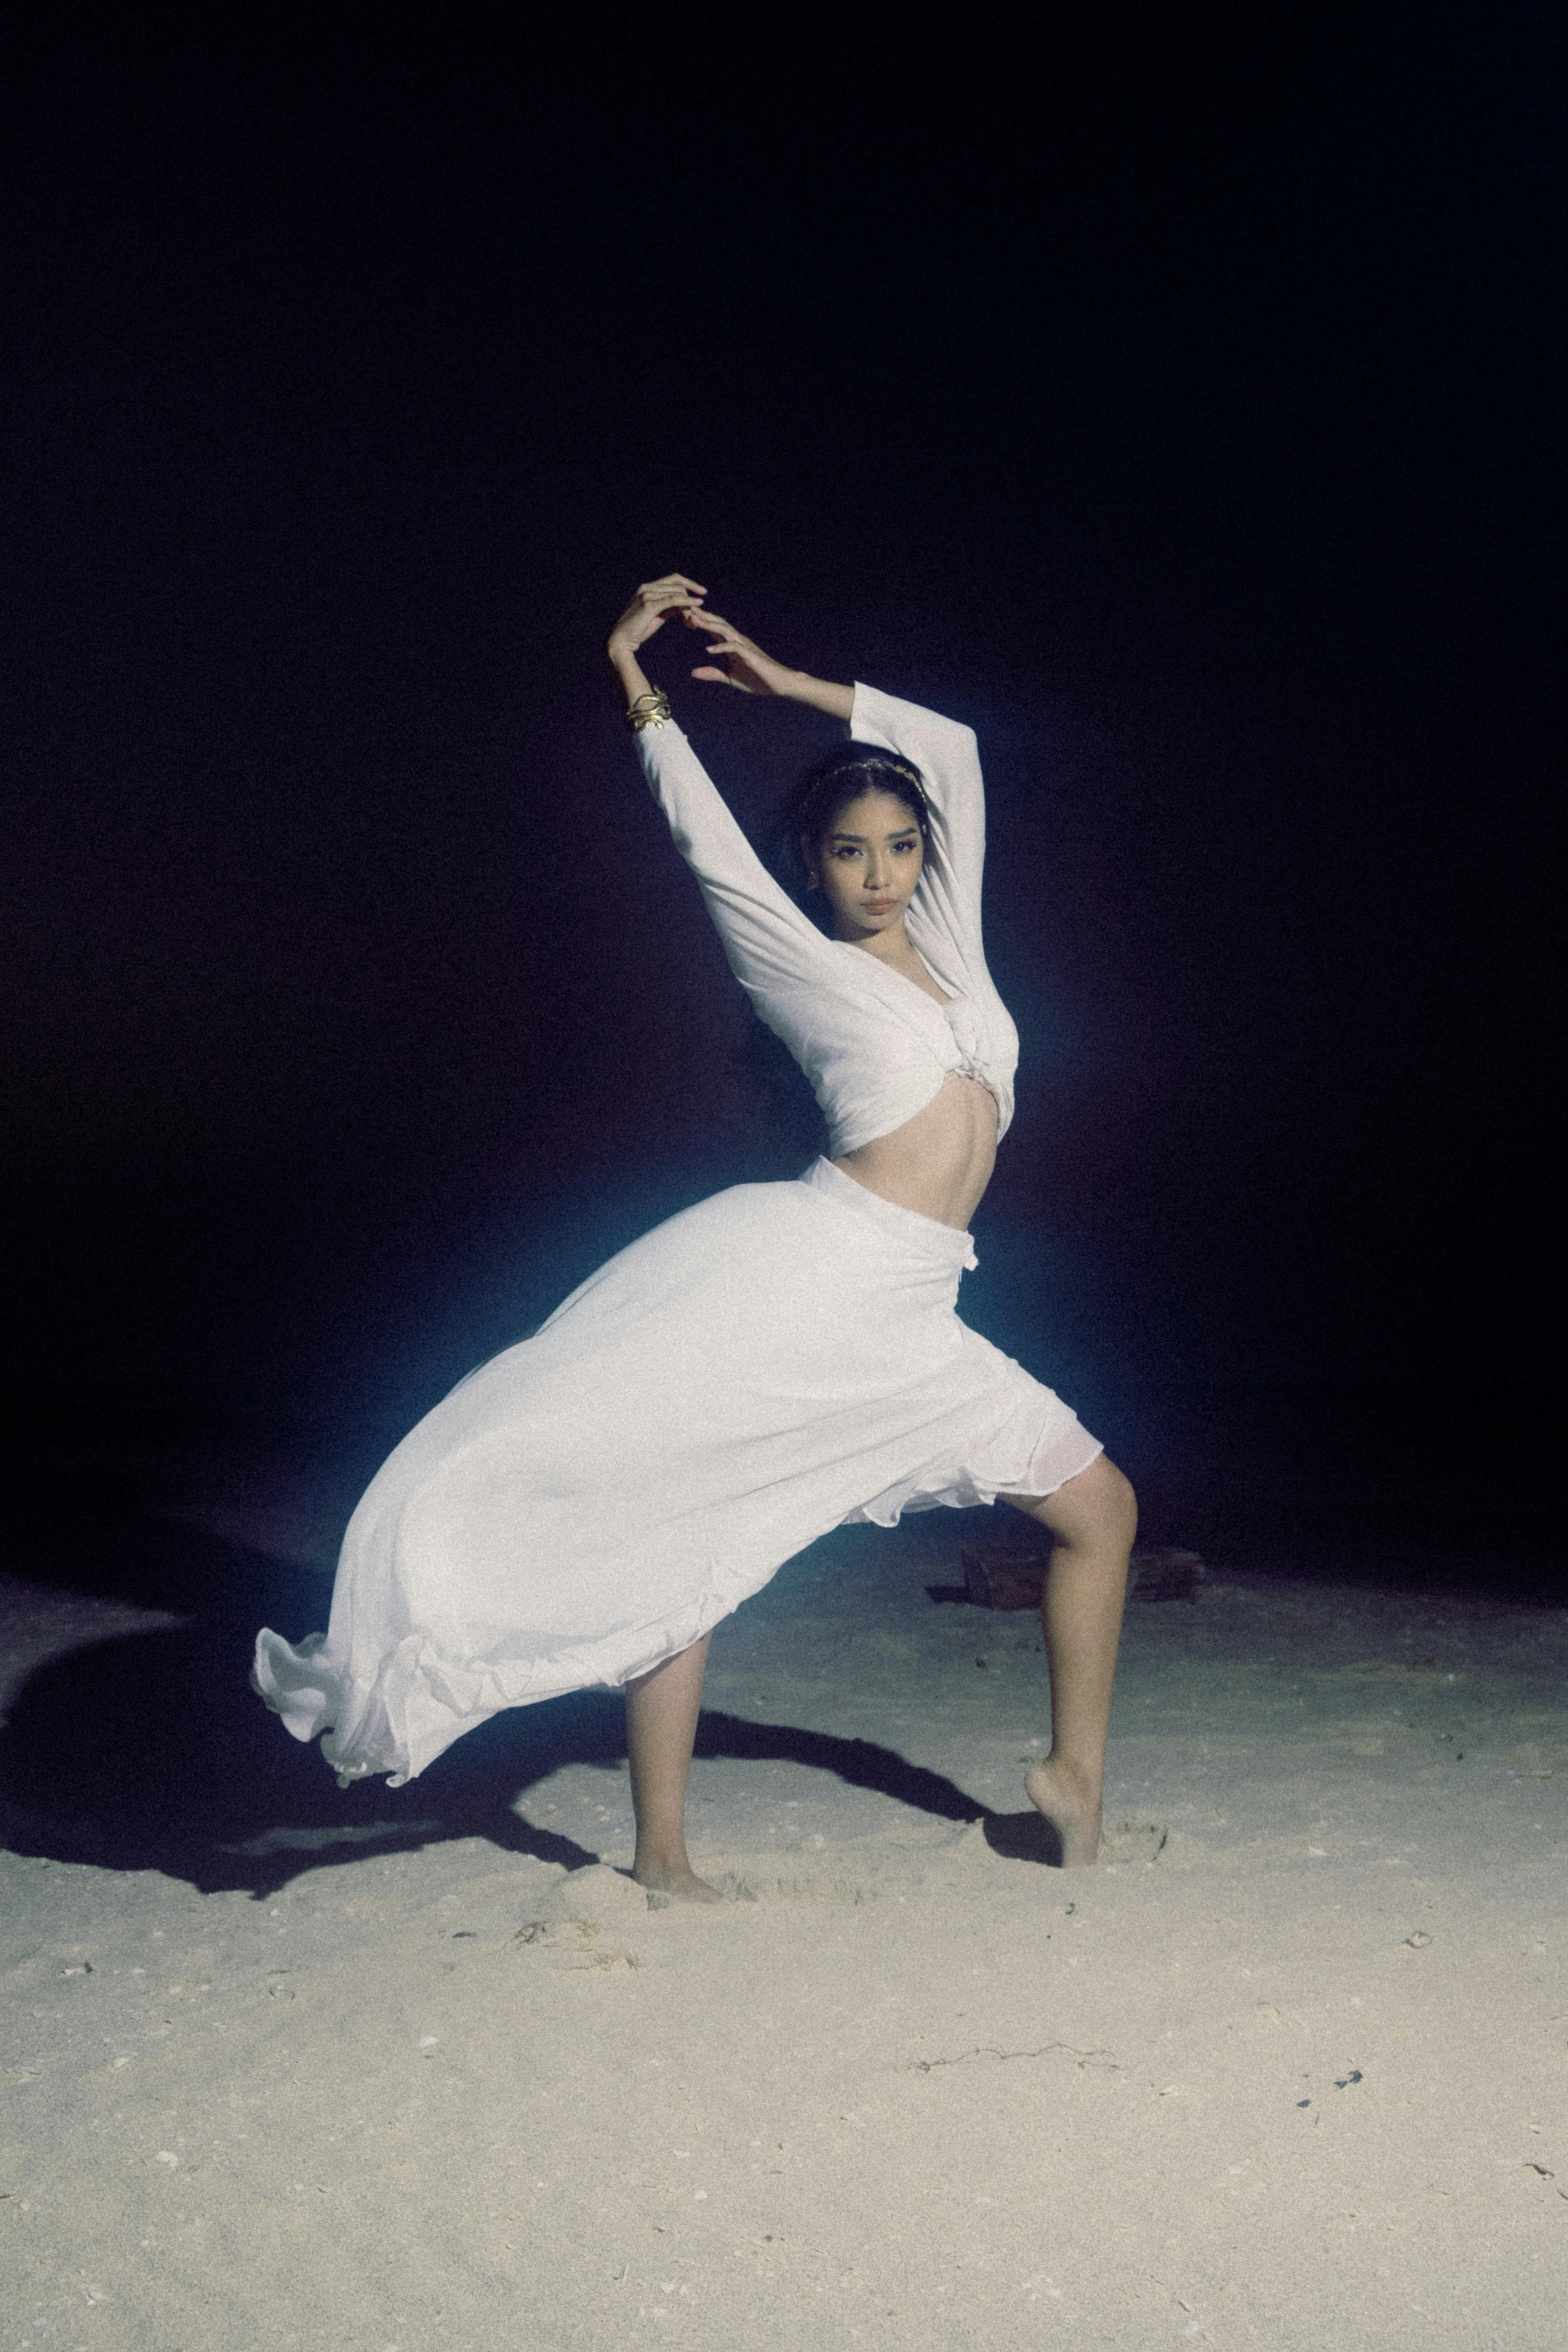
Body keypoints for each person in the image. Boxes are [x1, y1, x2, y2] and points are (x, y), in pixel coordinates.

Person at [253, 574, 1135, 1895]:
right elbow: (705, 840)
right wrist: (635, 680)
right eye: (852, 852)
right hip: (804, 1281)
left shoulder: (952, 944)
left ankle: (1074, 1776)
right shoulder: (799, 962)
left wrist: (786, 685)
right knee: (683, 1540)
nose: (882, 873)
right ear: (814, 866)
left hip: (917, 1311)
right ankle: (662, 1855)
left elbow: (948, 750)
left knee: (1101, 1508)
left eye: (901, 846)